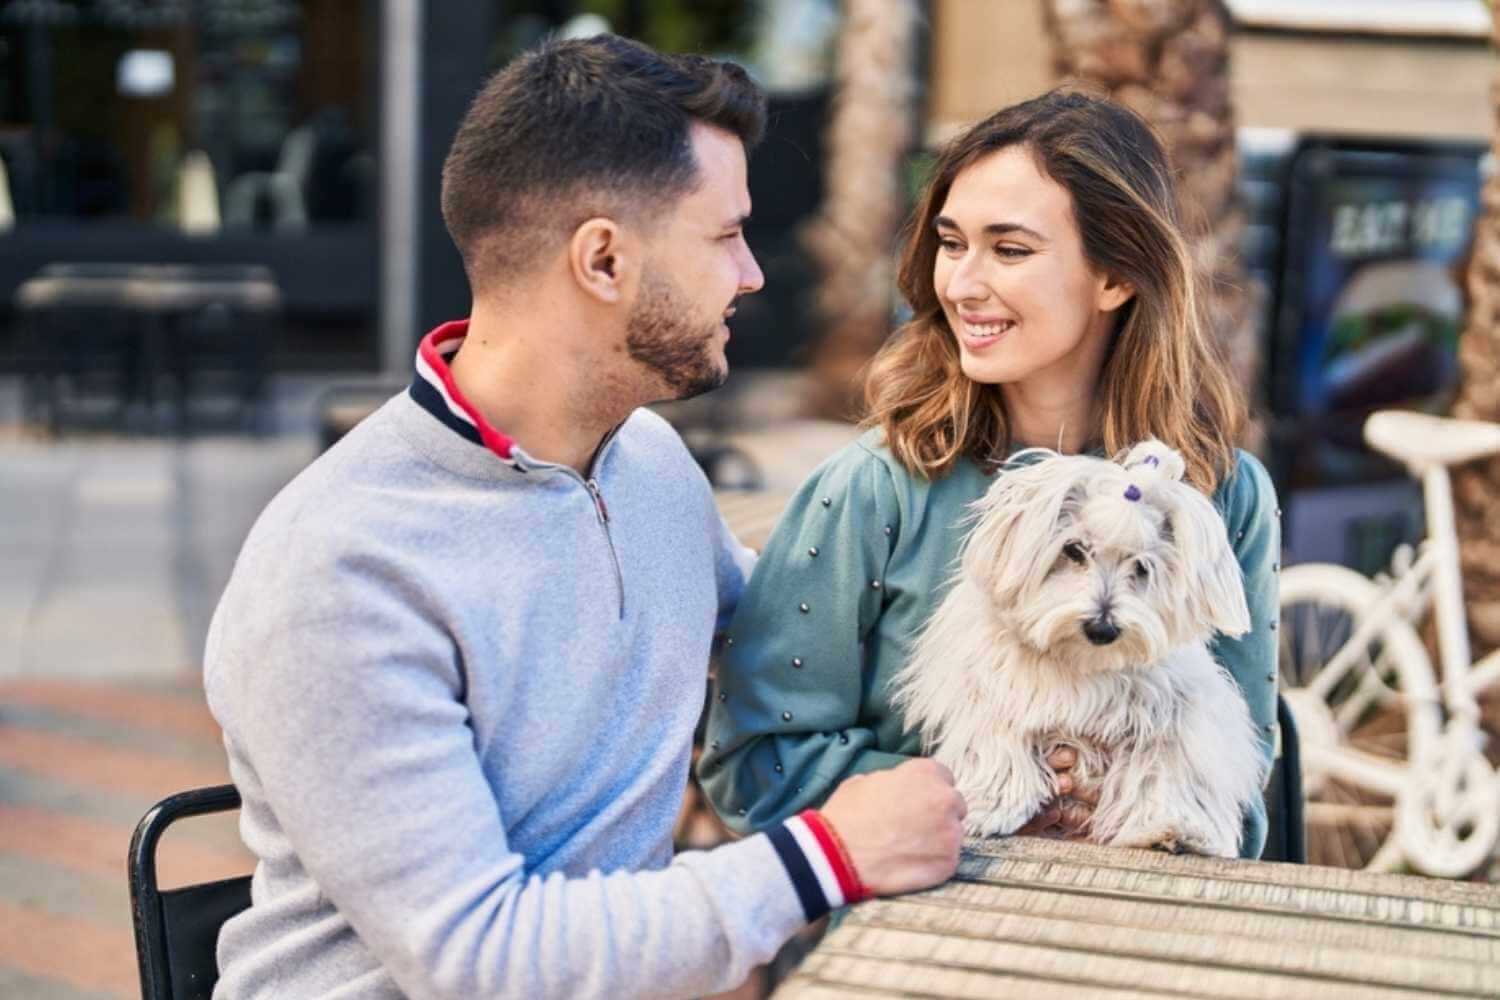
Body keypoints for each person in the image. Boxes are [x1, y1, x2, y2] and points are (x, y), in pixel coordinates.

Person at [203, 35, 966, 1000]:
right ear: (603, 259)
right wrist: (827, 859)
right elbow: (481, 958)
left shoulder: (644, 460)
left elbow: (798, 646)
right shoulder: (340, 570)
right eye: (725, 236)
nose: (752, 275)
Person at [699, 88, 1280, 858]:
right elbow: (756, 762)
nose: (963, 285)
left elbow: (1245, 771)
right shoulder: (874, 488)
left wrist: (1128, 802)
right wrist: (984, 799)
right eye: (950, 243)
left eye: (1009, 250)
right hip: (922, 927)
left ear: (1116, 276)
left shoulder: (1225, 493)